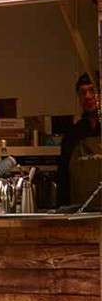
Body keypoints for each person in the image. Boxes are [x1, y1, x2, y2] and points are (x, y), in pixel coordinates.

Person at [58, 73, 101, 210]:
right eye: (83, 93)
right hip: (79, 216)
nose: (88, 96)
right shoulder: (72, 135)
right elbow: (63, 178)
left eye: (92, 90)